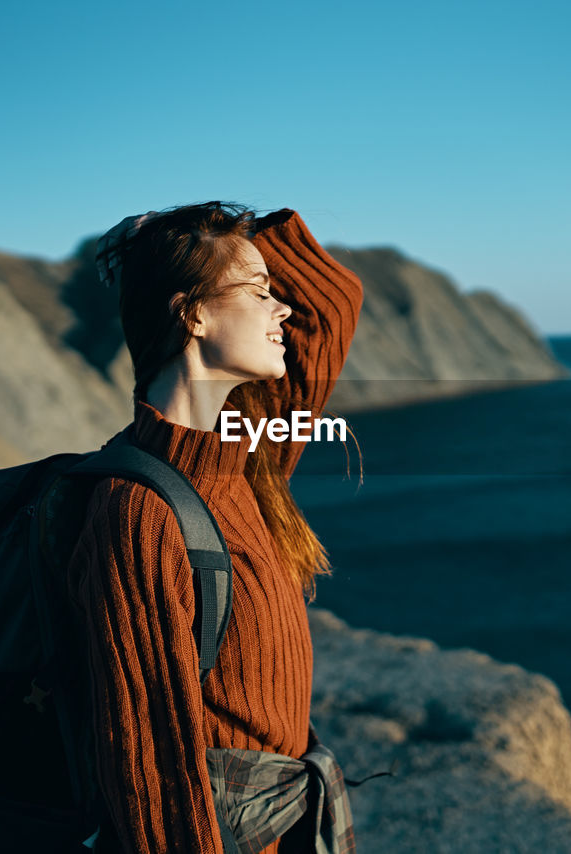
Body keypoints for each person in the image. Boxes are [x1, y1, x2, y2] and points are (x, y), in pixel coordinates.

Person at [67, 202, 364, 853]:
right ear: (193, 314)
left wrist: (239, 234)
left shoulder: (250, 458)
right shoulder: (138, 514)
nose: (282, 308)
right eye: (260, 293)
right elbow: (152, 779)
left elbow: (333, 305)